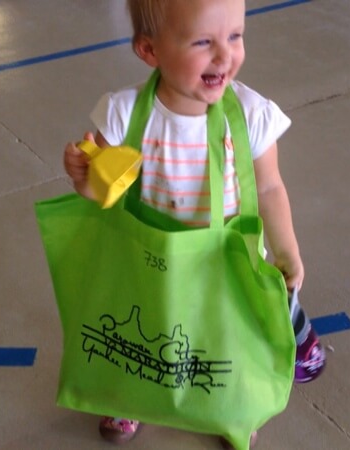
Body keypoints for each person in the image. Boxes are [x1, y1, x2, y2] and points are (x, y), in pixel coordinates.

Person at [63, 0, 326, 447]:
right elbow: (104, 194)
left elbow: (268, 189)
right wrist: (86, 179)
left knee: (229, 342)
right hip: (151, 259)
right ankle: (129, 399)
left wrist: (286, 250)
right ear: (150, 50)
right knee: (143, 334)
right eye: (203, 42)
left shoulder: (250, 115)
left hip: (227, 262)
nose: (225, 56)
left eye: (235, 36)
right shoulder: (125, 116)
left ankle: (236, 409)